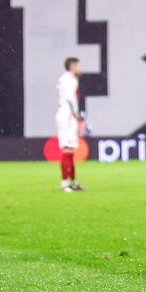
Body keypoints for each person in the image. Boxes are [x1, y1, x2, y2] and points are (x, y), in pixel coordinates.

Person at [56, 57, 86, 192]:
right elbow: (70, 98)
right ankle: (64, 184)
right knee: (67, 149)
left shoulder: (66, 79)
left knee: (71, 150)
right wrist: (76, 113)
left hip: (67, 115)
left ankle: (73, 182)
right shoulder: (69, 80)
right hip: (67, 116)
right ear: (72, 66)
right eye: (78, 66)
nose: (80, 69)